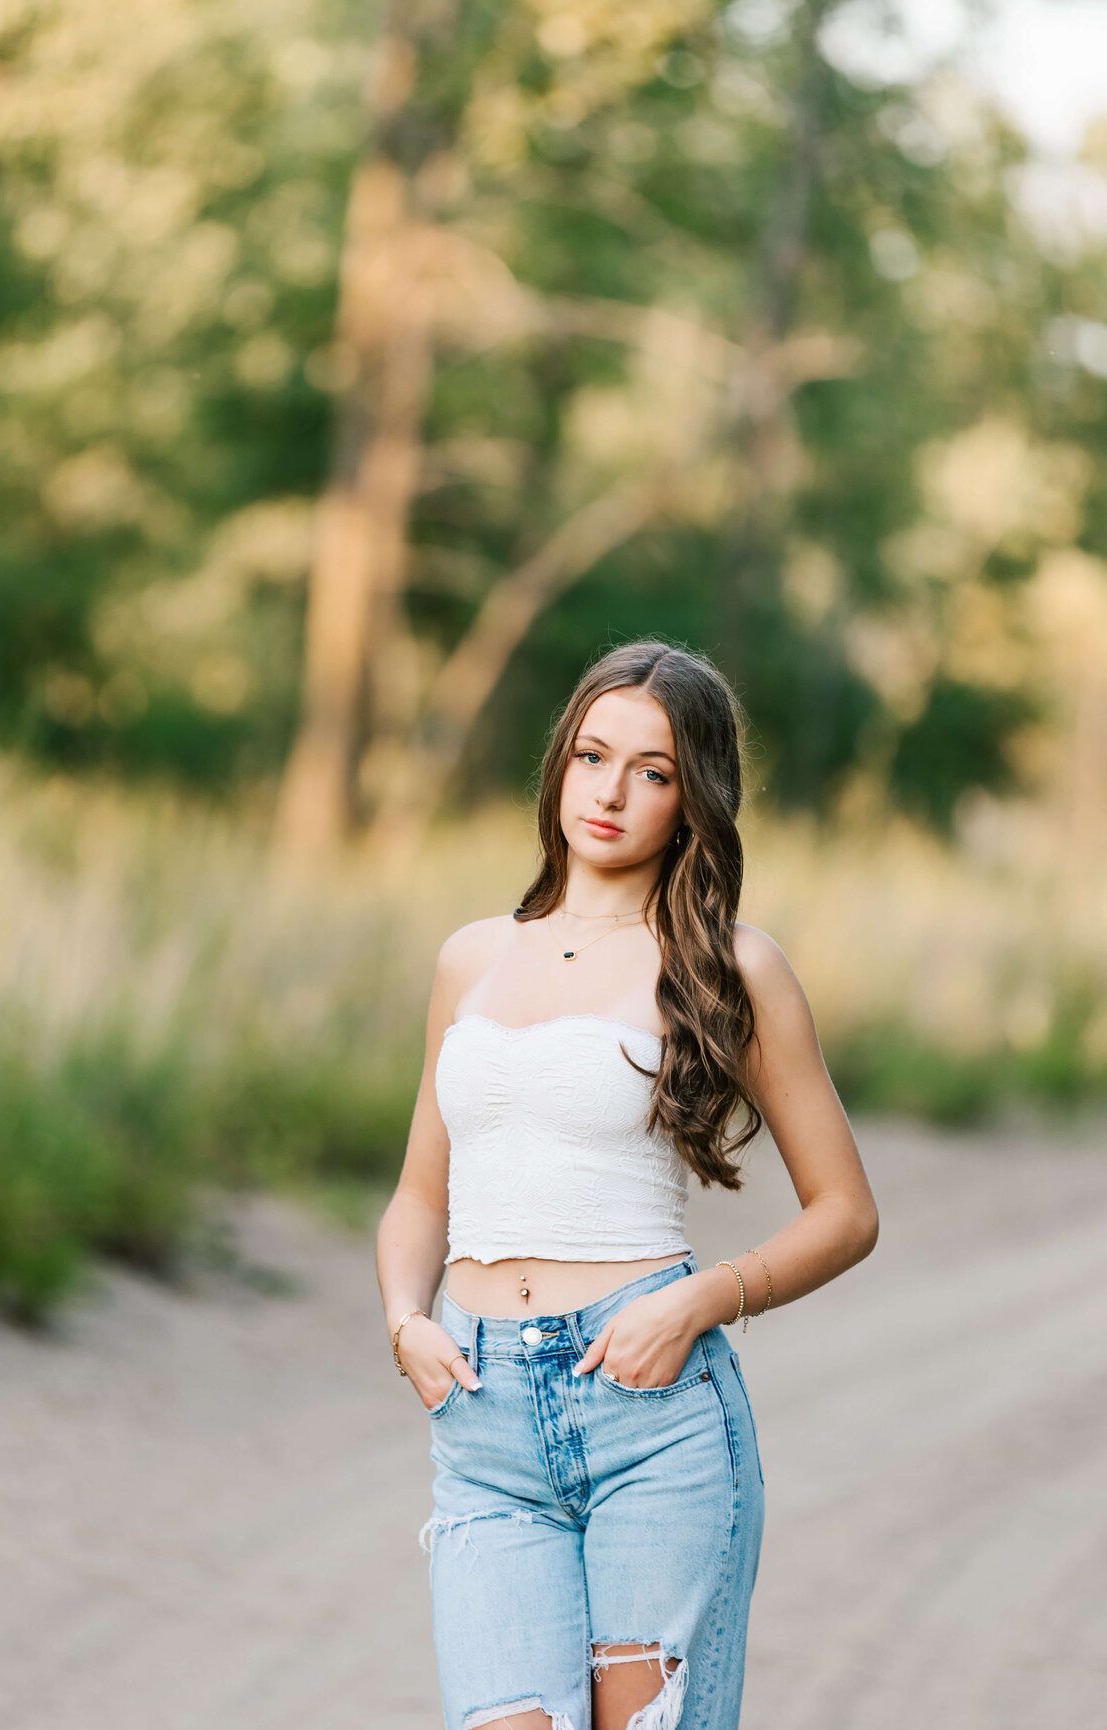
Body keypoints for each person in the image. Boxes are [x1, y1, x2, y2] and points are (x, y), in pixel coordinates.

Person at [375, 638, 879, 1730]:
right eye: (593, 755)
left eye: (651, 771)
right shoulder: (472, 955)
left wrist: (703, 1297)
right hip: (484, 1416)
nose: (609, 791)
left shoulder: (731, 965)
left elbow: (846, 1211)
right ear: (559, 762)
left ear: (691, 799)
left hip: (652, 1411)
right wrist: (403, 1318)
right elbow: (423, 1193)